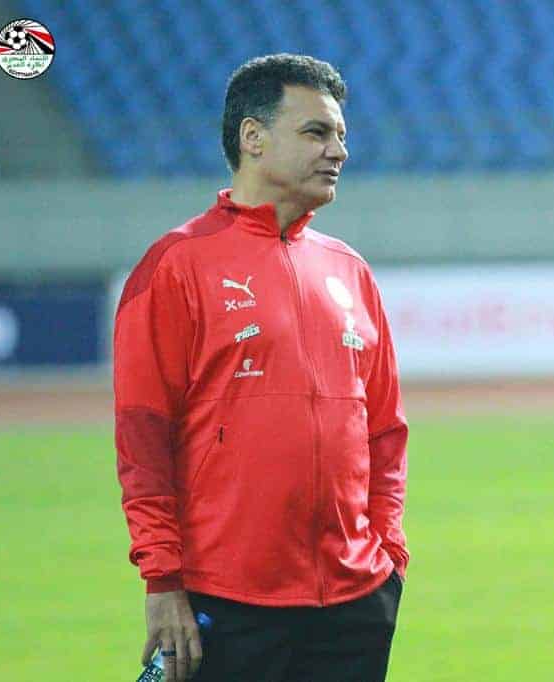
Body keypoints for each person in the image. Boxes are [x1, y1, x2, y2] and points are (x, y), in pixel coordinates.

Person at [114, 54, 408, 682]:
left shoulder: (350, 270)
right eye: (316, 132)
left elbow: (385, 432)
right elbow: (144, 437)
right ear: (253, 137)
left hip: (356, 602)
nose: (338, 151)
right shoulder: (176, 265)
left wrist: (390, 556)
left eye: (341, 136)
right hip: (228, 599)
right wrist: (162, 580)